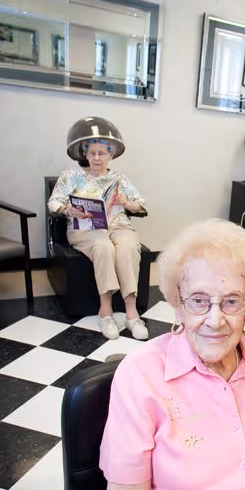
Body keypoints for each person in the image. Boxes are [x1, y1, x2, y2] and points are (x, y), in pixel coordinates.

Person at [99, 219, 245, 490]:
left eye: (232, 301)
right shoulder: (139, 377)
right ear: (178, 304)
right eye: (198, 300)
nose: (215, 320)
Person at [47, 116, 149, 340]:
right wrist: (68, 210)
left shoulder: (119, 178)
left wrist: (126, 202)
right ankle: (106, 312)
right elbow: (53, 203)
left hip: (118, 226)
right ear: (84, 154)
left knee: (128, 248)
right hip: (86, 229)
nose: (97, 158)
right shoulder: (71, 176)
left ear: (110, 155)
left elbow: (141, 205)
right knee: (104, 247)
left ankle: (132, 315)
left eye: (102, 153)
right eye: (92, 153)